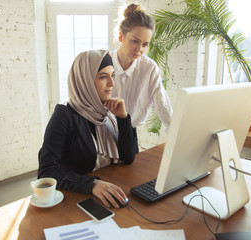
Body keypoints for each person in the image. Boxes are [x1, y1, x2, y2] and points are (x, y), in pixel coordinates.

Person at [38, 50, 138, 208]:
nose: (112, 83)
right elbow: (46, 173)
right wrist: (92, 185)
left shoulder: (108, 111)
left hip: (109, 193)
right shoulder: (64, 115)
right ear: (85, 79)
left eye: (112, 75)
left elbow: (129, 157)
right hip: (76, 199)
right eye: (103, 76)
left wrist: (123, 119)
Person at [110, 3, 173, 131]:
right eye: (135, 41)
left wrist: (175, 131)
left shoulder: (149, 68)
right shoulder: (104, 63)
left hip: (130, 132)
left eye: (145, 44)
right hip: (101, 133)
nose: (139, 49)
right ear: (121, 36)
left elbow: (161, 104)